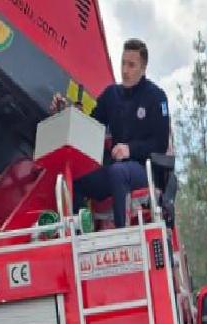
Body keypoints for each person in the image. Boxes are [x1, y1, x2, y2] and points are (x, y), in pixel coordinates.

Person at [70, 38, 170, 228]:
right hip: (116, 168)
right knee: (77, 179)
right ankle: (81, 231)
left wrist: (130, 149)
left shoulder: (156, 97)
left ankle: (122, 233)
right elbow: (92, 126)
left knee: (118, 172)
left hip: (144, 171)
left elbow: (160, 144)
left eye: (131, 65)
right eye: (123, 63)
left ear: (143, 68)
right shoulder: (111, 95)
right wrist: (72, 114)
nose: (125, 70)